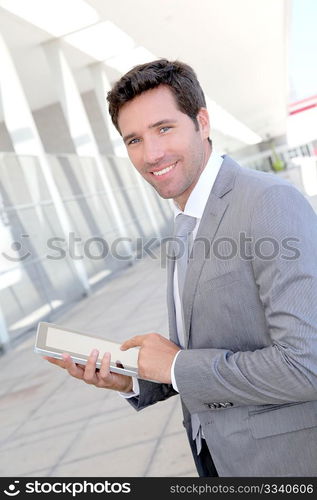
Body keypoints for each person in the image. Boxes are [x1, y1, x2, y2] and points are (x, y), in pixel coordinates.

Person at [45, 59, 317, 477]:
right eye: (133, 139)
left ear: (202, 122)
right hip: (218, 456)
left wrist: (173, 366)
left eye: (164, 128)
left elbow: (305, 364)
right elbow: (210, 348)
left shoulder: (268, 203)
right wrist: (134, 379)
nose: (150, 154)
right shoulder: (185, 222)